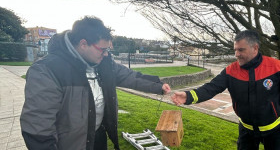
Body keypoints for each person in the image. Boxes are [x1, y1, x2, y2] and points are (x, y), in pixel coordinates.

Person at [20, 16, 171, 150]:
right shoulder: (47, 70)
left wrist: (158, 85)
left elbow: (129, 76)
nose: (106, 54)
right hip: (70, 144)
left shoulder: (103, 62)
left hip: (98, 136)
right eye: (103, 49)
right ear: (83, 44)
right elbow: (38, 127)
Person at [171, 30, 280, 149]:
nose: (236, 54)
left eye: (241, 50)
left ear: (255, 48)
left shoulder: (276, 67)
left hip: (275, 130)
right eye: (235, 50)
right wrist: (187, 96)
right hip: (246, 131)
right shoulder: (230, 71)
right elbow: (210, 88)